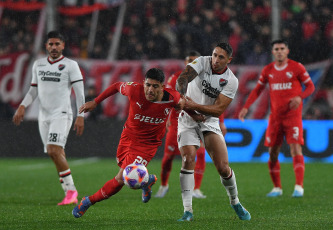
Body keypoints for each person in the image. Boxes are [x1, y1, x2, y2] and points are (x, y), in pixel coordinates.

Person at [72, 68, 185, 218]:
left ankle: (88, 201)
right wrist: (95, 101)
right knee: (124, 169)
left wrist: (180, 115)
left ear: (162, 87)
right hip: (128, 136)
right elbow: (116, 85)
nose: (150, 90)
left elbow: (183, 105)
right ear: (143, 83)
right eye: (148, 85)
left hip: (147, 144)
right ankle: (147, 181)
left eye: (155, 86)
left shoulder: (172, 97)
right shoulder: (134, 90)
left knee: (122, 178)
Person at [176, 42, 251, 221]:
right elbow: (182, 79)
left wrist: (195, 106)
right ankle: (188, 211)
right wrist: (188, 106)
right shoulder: (202, 62)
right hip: (187, 118)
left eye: (221, 57)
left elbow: (218, 110)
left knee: (223, 168)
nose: (215, 60)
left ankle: (235, 201)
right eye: (214, 55)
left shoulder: (231, 81)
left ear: (229, 60)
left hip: (210, 121)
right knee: (188, 159)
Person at [12, 31, 85, 205]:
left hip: (62, 114)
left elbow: (80, 92)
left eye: (57, 44)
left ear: (63, 46)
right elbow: (33, 90)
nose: (54, 47)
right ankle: (69, 192)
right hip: (43, 116)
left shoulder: (70, 65)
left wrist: (81, 115)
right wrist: (22, 106)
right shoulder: (38, 65)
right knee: (55, 154)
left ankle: (72, 191)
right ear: (46, 46)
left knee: (53, 150)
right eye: (51, 44)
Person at [238, 39, 315, 198]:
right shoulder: (268, 70)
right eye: (276, 49)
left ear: (287, 51)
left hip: (292, 117)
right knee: (273, 152)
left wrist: (300, 97)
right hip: (275, 118)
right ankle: (277, 188)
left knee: (295, 148)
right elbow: (257, 89)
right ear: (273, 52)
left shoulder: (296, 67)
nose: (279, 51)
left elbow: (310, 86)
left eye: (282, 48)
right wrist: (246, 107)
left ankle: (299, 186)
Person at [155, 50, 228, 199]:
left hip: (199, 121)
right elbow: (167, 98)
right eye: (189, 60)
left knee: (200, 155)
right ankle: (163, 185)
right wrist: (167, 117)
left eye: (195, 60)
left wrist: (221, 122)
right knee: (168, 156)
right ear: (185, 62)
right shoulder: (175, 78)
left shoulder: (208, 79)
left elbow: (217, 102)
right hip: (177, 122)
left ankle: (196, 189)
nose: (191, 63)